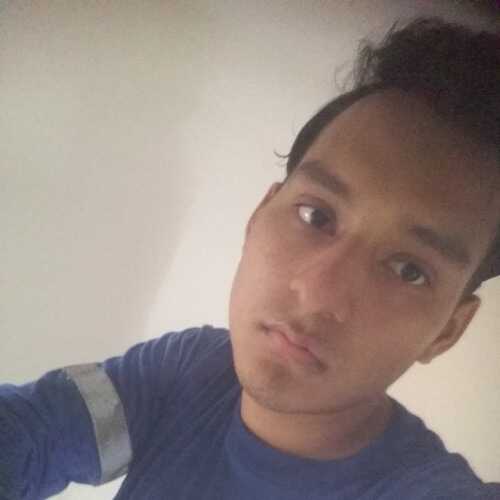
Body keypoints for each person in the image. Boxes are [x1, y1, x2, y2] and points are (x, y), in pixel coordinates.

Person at [1, 16, 500, 500]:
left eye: (409, 270)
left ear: (446, 331)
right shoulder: (190, 369)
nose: (319, 293)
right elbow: (29, 431)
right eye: (316, 216)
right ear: (259, 214)